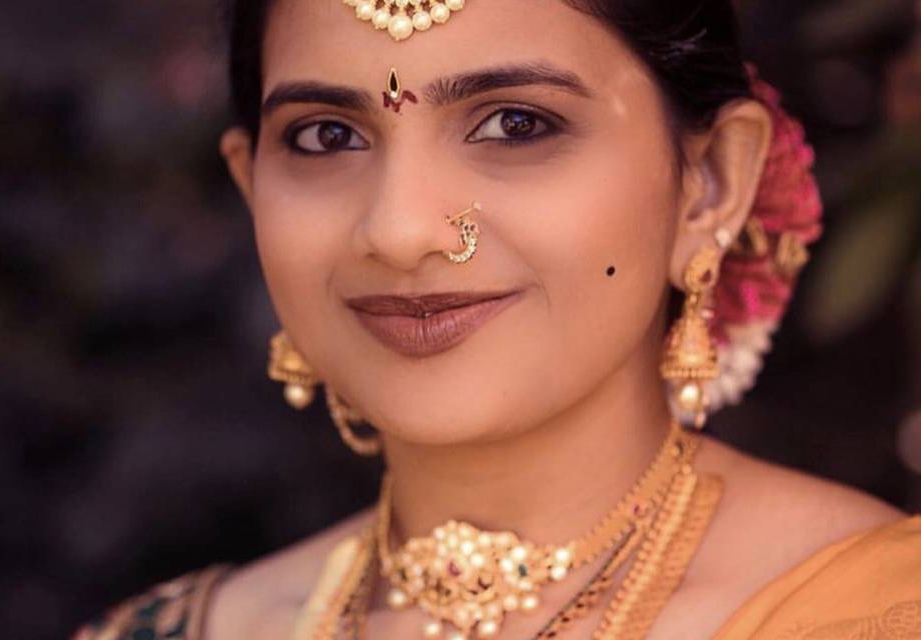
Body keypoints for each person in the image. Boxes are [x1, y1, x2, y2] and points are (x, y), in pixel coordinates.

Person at [75, 0, 921, 638]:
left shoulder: (875, 610)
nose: (401, 232)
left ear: (711, 185)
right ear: (251, 185)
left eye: (516, 123)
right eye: (327, 136)